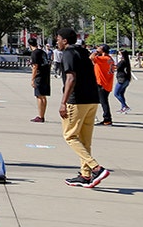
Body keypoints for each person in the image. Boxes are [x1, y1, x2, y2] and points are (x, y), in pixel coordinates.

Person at [56, 29, 111, 188]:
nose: (57, 42)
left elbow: (71, 78)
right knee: (85, 141)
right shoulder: (83, 51)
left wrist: (63, 102)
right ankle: (85, 175)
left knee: (70, 136)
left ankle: (96, 168)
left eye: (58, 39)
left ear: (65, 40)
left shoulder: (68, 53)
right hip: (92, 100)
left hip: (77, 100)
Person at [90, 44, 115, 125]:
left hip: (102, 83)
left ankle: (107, 119)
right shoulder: (109, 59)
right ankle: (106, 118)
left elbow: (91, 57)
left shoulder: (103, 58)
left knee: (103, 102)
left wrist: (96, 52)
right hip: (107, 83)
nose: (97, 48)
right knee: (103, 101)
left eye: (99, 47)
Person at [28, 38, 50, 122]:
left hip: (39, 76)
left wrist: (32, 79)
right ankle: (42, 115)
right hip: (45, 75)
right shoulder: (42, 52)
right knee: (43, 96)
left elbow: (35, 66)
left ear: (30, 45)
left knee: (39, 96)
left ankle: (40, 116)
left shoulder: (34, 53)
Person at [113, 49, 132, 113]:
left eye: (119, 54)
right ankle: (123, 108)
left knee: (116, 93)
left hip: (122, 79)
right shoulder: (126, 61)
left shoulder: (122, 61)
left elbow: (116, 67)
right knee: (121, 94)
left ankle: (125, 106)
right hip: (126, 79)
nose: (119, 55)